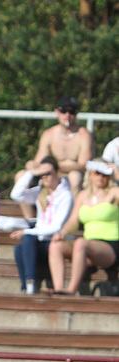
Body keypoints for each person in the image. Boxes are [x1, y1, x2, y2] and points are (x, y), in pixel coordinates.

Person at [47, 158, 119, 295]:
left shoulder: (114, 192)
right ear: (90, 174)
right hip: (87, 247)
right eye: (98, 173)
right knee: (56, 245)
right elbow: (74, 221)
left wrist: (117, 175)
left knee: (81, 243)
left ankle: (71, 290)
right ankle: (59, 288)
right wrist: (62, 232)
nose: (101, 177)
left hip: (109, 246)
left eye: (105, 174)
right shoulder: (82, 195)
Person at [13, 97, 94, 215]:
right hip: (51, 175)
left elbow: (83, 165)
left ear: (76, 114)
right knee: (21, 175)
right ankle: (30, 220)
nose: (67, 115)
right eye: (64, 111)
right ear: (57, 112)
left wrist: (57, 166)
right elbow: (39, 162)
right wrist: (31, 165)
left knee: (75, 177)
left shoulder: (84, 134)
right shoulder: (49, 134)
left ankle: (70, 221)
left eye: (72, 111)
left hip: (70, 177)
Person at [9, 157, 74, 295]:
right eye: (42, 174)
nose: (44, 176)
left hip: (55, 243)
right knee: (20, 248)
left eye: (48, 173)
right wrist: (31, 173)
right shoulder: (40, 192)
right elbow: (15, 195)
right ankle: (27, 286)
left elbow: (57, 227)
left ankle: (30, 285)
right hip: (41, 242)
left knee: (27, 237)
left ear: (57, 173)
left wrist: (27, 231)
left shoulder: (66, 195)